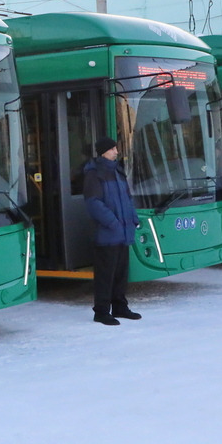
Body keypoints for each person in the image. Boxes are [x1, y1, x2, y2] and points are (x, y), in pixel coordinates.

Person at [82, 137, 141, 325]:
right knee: (105, 275)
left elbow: (127, 199)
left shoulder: (117, 171)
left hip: (123, 232)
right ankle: (101, 311)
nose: (116, 151)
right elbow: (93, 204)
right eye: (112, 149)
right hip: (107, 234)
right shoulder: (94, 173)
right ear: (103, 152)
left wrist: (133, 219)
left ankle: (120, 307)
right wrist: (114, 223)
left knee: (121, 273)